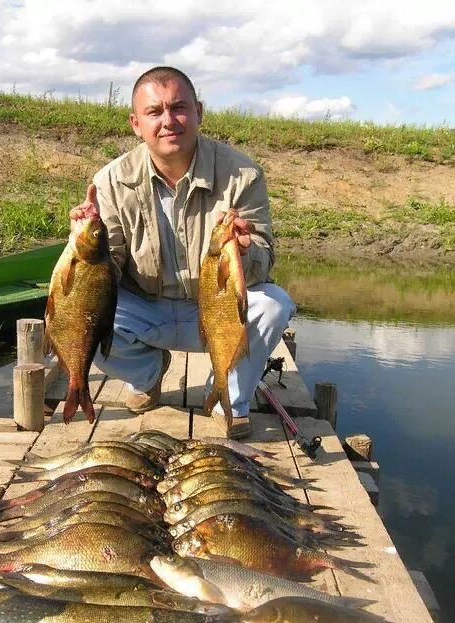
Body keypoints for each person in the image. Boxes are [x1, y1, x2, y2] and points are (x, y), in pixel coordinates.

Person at [70, 66, 295, 439]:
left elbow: (264, 259)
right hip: (146, 307)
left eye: (179, 108)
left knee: (274, 305)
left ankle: (226, 395)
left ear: (199, 113)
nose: (168, 121)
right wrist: (84, 242)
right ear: (136, 124)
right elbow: (108, 267)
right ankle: (148, 375)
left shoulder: (244, 175)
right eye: (154, 112)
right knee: (78, 318)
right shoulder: (109, 180)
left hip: (212, 309)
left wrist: (243, 251)